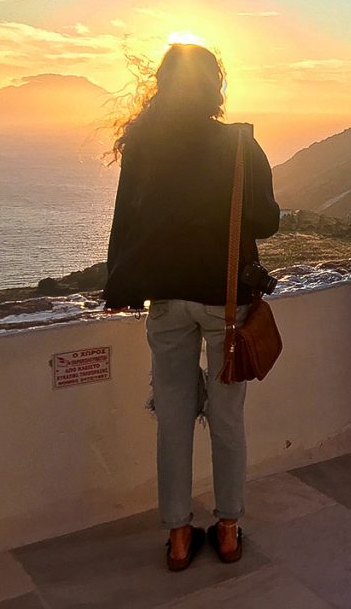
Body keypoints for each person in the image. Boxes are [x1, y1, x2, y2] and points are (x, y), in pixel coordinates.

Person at [104, 43, 280, 570]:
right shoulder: (239, 143)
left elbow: (125, 222)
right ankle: (227, 529)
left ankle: (179, 537)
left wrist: (120, 287)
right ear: (215, 86)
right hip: (226, 302)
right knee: (227, 419)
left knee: (173, 419)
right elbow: (267, 222)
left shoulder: (142, 143)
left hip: (166, 300)